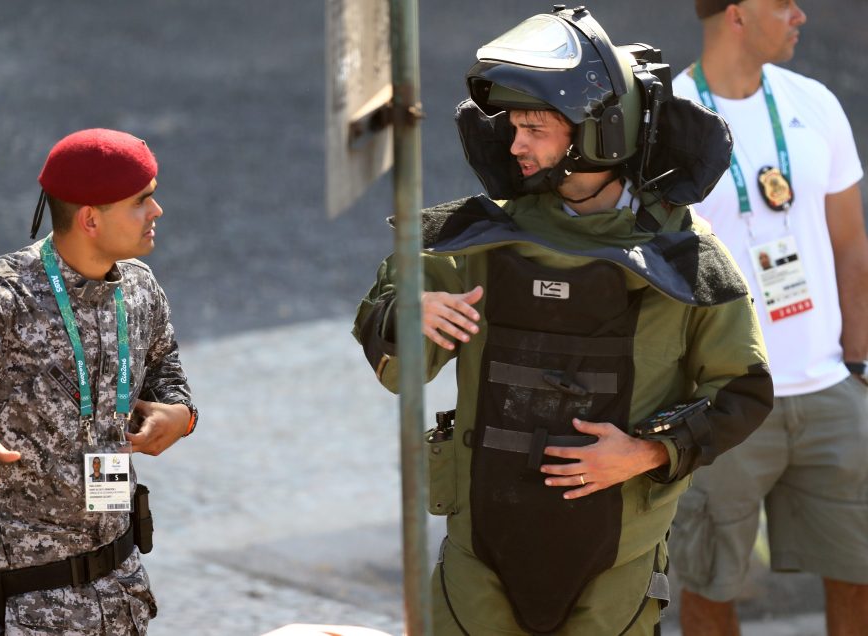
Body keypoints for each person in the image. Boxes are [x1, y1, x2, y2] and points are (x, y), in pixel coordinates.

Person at [353, 7, 773, 635]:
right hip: (480, 557)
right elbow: (395, 364)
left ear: (599, 133)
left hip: (616, 565)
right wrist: (404, 313)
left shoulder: (685, 257)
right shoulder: (474, 239)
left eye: (536, 128)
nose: (516, 144)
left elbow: (743, 390)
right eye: (513, 127)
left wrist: (648, 452)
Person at [0, 128, 200, 635]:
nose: (157, 212)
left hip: (121, 592)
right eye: (141, 201)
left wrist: (181, 414)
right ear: (90, 218)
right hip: (27, 609)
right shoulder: (0, 294)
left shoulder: (138, 288)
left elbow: (165, 371)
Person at [671, 1, 868, 634]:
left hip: (830, 385)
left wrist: (859, 364)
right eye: (782, 3)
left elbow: (852, 246)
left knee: (860, 576)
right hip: (726, 399)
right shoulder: (670, 120)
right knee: (709, 587)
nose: (800, 15)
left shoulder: (814, 103)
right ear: (737, 12)